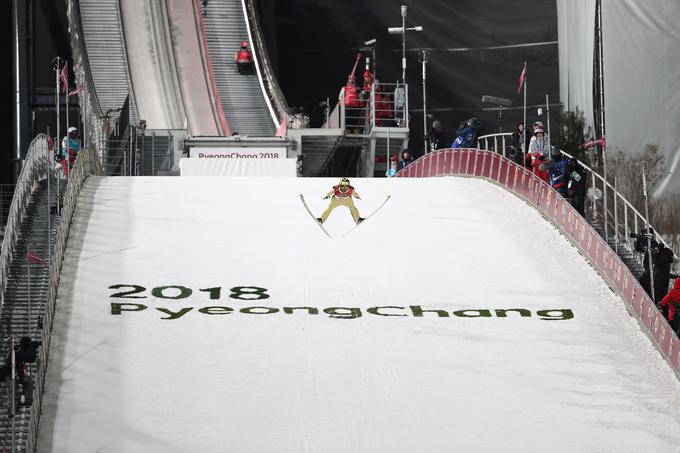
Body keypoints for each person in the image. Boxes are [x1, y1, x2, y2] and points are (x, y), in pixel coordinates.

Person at [1, 337, 41, 409]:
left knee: (28, 381)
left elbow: (30, 358)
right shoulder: (18, 349)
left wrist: (34, 347)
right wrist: (33, 348)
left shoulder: (22, 349)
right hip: (8, 374)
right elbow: (29, 357)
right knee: (14, 387)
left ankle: (27, 400)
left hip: (18, 373)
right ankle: (13, 407)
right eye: (29, 344)